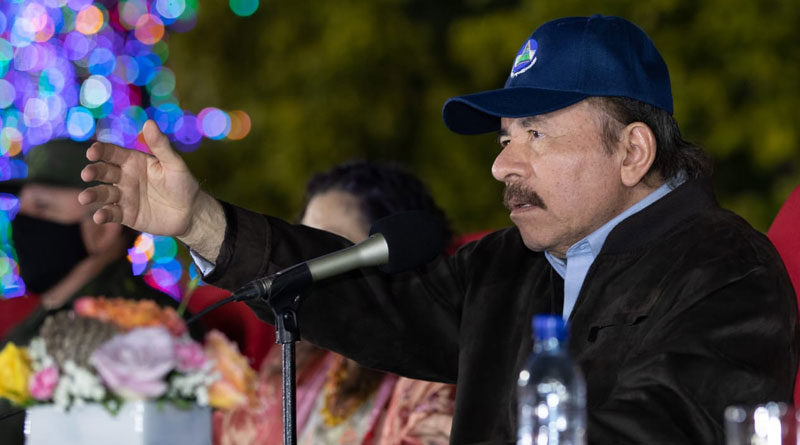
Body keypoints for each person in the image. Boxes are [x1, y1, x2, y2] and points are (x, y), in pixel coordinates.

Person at [78, 14, 798, 444]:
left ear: (633, 151)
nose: (502, 167)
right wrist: (202, 222)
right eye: (503, 138)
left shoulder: (727, 268)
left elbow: (665, 426)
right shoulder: (511, 264)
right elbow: (373, 299)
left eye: (536, 135)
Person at [215, 160, 457, 445]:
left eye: (327, 245)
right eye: (303, 244)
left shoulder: (438, 374)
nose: (305, 262)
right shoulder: (299, 357)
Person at [0, 139, 198, 444]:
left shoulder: (147, 333)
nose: (22, 225)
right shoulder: (37, 317)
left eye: (42, 208)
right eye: (21, 210)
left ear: (104, 228)